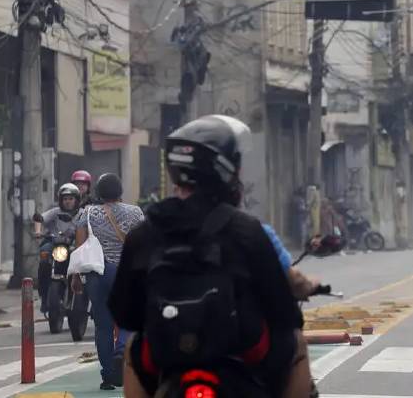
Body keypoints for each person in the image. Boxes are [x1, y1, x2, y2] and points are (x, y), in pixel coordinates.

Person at [110, 115, 309, 398]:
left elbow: (124, 312)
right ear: (227, 170)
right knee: (296, 342)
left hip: (168, 355)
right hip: (241, 351)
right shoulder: (247, 230)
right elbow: (283, 310)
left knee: (132, 349)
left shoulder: (146, 233)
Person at [75, 173, 144, 390]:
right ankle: (121, 350)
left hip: (96, 273)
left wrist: (76, 276)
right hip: (124, 273)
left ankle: (107, 376)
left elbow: (80, 246)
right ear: (119, 191)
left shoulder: (87, 213)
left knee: (103, 326)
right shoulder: (135, 212)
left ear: (98, 192)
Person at [34, 183, 81, 314]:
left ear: (76, 200)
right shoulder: (55, 212)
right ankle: (44, 295)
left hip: (73, 246)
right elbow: (39, 218)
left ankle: (81, 297)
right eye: (65, 199)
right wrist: (38, 232)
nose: (68, 202)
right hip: (54, 243)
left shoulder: (82, 213)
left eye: (70, 199)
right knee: (44, 256)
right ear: (61, 200)